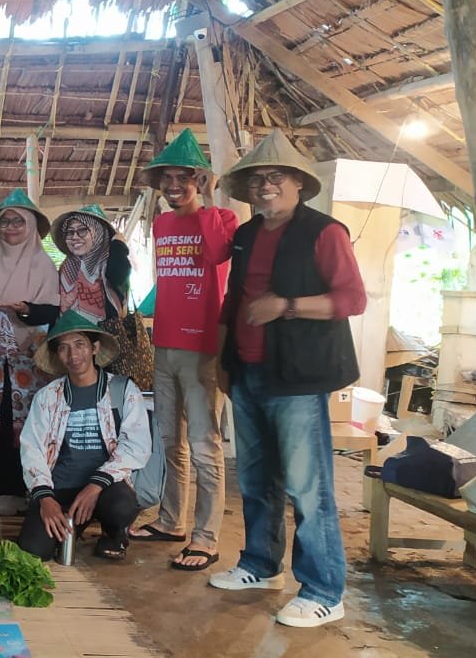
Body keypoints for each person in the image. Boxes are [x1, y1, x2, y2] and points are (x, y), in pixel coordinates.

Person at [211, 130, 366, 628]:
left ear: (299, 182)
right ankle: (261, 565)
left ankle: (324, 590)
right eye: (257, 179)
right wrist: (222, 360)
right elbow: (233, 299)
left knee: (307, 487)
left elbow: (352, 299)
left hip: (298, 377)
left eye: (276, 176)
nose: (265, 186)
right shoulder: (247, 235)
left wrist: (287, 306)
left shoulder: (325, 232)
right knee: (256, 480)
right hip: (247, 370)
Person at [127, 129, 238, 571]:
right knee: (171, 440)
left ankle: (206, 537)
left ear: (200, 180)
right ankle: (172, 520)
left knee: (204, 444)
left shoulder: (222, 219)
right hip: (166, 344)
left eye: (184, 178)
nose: (174, 187)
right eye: (167, 179)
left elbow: (217, 255)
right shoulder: (162, 224)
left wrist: (208, 201)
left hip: (203, 348)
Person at [18, 312, 150, 562]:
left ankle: (113, 533)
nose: (73, 354)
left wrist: (95, 485)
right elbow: (31, 448)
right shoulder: (48, 396)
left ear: (94, 348)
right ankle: (73, 525)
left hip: (105, 488)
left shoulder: (122, 390)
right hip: (60, 488)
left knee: (121, 506)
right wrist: (45, 498)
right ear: (57, 355)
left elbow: (136, 445)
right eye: (64, 348)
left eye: (80, 344)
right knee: (34, 549)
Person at [0, 189, 59, 516]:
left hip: (32, 357)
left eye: (18, 221)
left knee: (27, 421)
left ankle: (29, 490)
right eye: (5, 221)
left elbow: (54, 310)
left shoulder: (45, 265)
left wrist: (26, 311)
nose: (10, 227)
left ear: (32, 226)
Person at [52, 204, 130, 323]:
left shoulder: (111, 263)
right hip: (69, 332)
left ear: (98, 232)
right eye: (69, 232)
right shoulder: (66, 268)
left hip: (105, 333)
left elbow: (118, 276)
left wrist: (118, 246)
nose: (75, 237)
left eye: (82, 230)